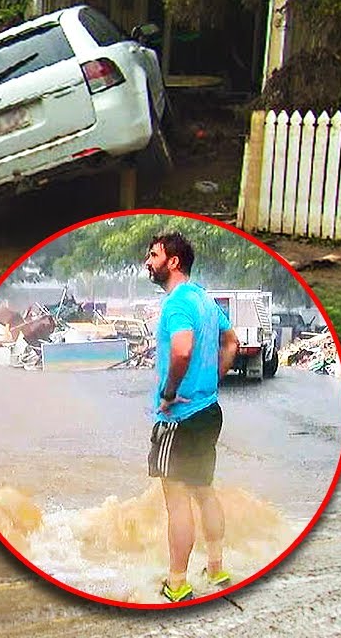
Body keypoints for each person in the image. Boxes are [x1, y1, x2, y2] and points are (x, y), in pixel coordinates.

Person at [143, 232, 241, 602]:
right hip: (209, 411)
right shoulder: (203, 298)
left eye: (153, 255)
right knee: (204, 491)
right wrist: (213, 378)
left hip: (180, 417)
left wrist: (169, 393)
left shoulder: (177, 304)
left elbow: (182, 350)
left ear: (173, 261)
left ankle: (177, 582)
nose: (148, 263)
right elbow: (230, 342)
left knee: (177, 500)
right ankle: (216, 569)